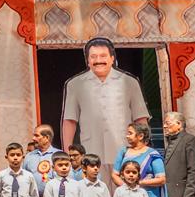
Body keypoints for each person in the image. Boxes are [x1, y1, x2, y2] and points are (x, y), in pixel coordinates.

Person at [62, 37, 150, 178]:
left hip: (124, 151)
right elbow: (69, 120)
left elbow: (140, 119)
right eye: (93, 56)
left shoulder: (129, 82)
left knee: (125, 189)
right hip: (91, 151)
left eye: (103, 56)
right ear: (87, 60)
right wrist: (67, 154)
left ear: (112, 58)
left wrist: (143, 150)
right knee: (93, 190)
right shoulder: (75, 84)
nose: (98, 60)